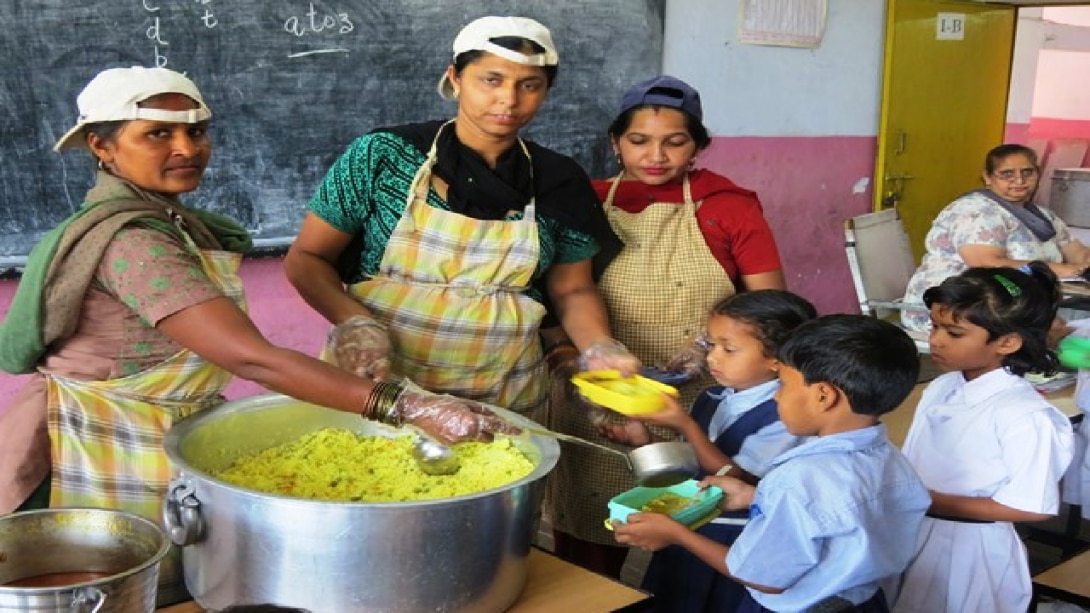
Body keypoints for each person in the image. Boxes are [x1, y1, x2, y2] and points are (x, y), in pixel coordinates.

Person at [0, 66, 518, 604]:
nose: (187, 147)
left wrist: (354, 333)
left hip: (152, 427)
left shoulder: (170, 221)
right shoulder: (132, 242)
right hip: (99, 446)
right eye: (157, 133)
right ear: (100, 146)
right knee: (122, 590)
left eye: (196, 131)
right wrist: (405, 406)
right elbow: (254, 360)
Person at [282, 16, 638, 423]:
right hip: (379, 388)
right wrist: (355, 322)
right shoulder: (384, 155)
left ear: (546, 90)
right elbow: (307, 258)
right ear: (455, 78)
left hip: (503, 396)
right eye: (491, 79)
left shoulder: (559, 180)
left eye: (529, 85)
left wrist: (599, 346)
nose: (508, 99)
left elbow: (572, 291)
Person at [546, 74, 785, 578]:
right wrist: (572, 362)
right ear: (615, 142)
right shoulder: (583, 202)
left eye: (675, 142)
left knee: (693, 532)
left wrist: (703, 347)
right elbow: (555, 299)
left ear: (697, 145)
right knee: (590, 540)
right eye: (638, 141)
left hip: (699, 395)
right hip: (598, 399)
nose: (656, 156)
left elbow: (771, 306)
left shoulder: (730, 207)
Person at [613, 315, 932, 612]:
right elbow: (841, 519)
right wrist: (756, 495)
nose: (777, 397)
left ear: (824, 396)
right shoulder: (891, 460)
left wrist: (677, 534)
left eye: (784, 385)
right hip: (862, 601)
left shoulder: (798, 479)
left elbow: (761, 575)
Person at [889, 262, 1075, 613]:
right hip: (916, 531)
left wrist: (928, 500)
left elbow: (1030, 505)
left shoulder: (1024, 415)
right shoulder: (943, 385)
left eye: (954, 333)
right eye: (934, 326)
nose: (936, 340)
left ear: (1006, 342)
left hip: (969, 549)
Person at [615, 290, 815, 612]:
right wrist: (645, 440)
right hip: (689, 530)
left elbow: (738, 479)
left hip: (734, 544)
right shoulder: (715, 397)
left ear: (777, 359)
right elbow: (691, 465)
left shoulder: (783, 415)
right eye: (711, 345)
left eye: (729, 349)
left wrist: (685, 425)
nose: (712, 358)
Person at [902, 143, 1090, 332]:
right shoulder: (976, 211)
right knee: (1057, 329)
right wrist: (1064, 270)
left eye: (1027, 172)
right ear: (988, 177)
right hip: (955, 308)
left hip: (1008, 303)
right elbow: (985, 262)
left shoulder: (1040, 215)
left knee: (1070, 323)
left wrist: (1083, 265)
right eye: (1007, 174)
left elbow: (1078, 252)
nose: (1019, 181)